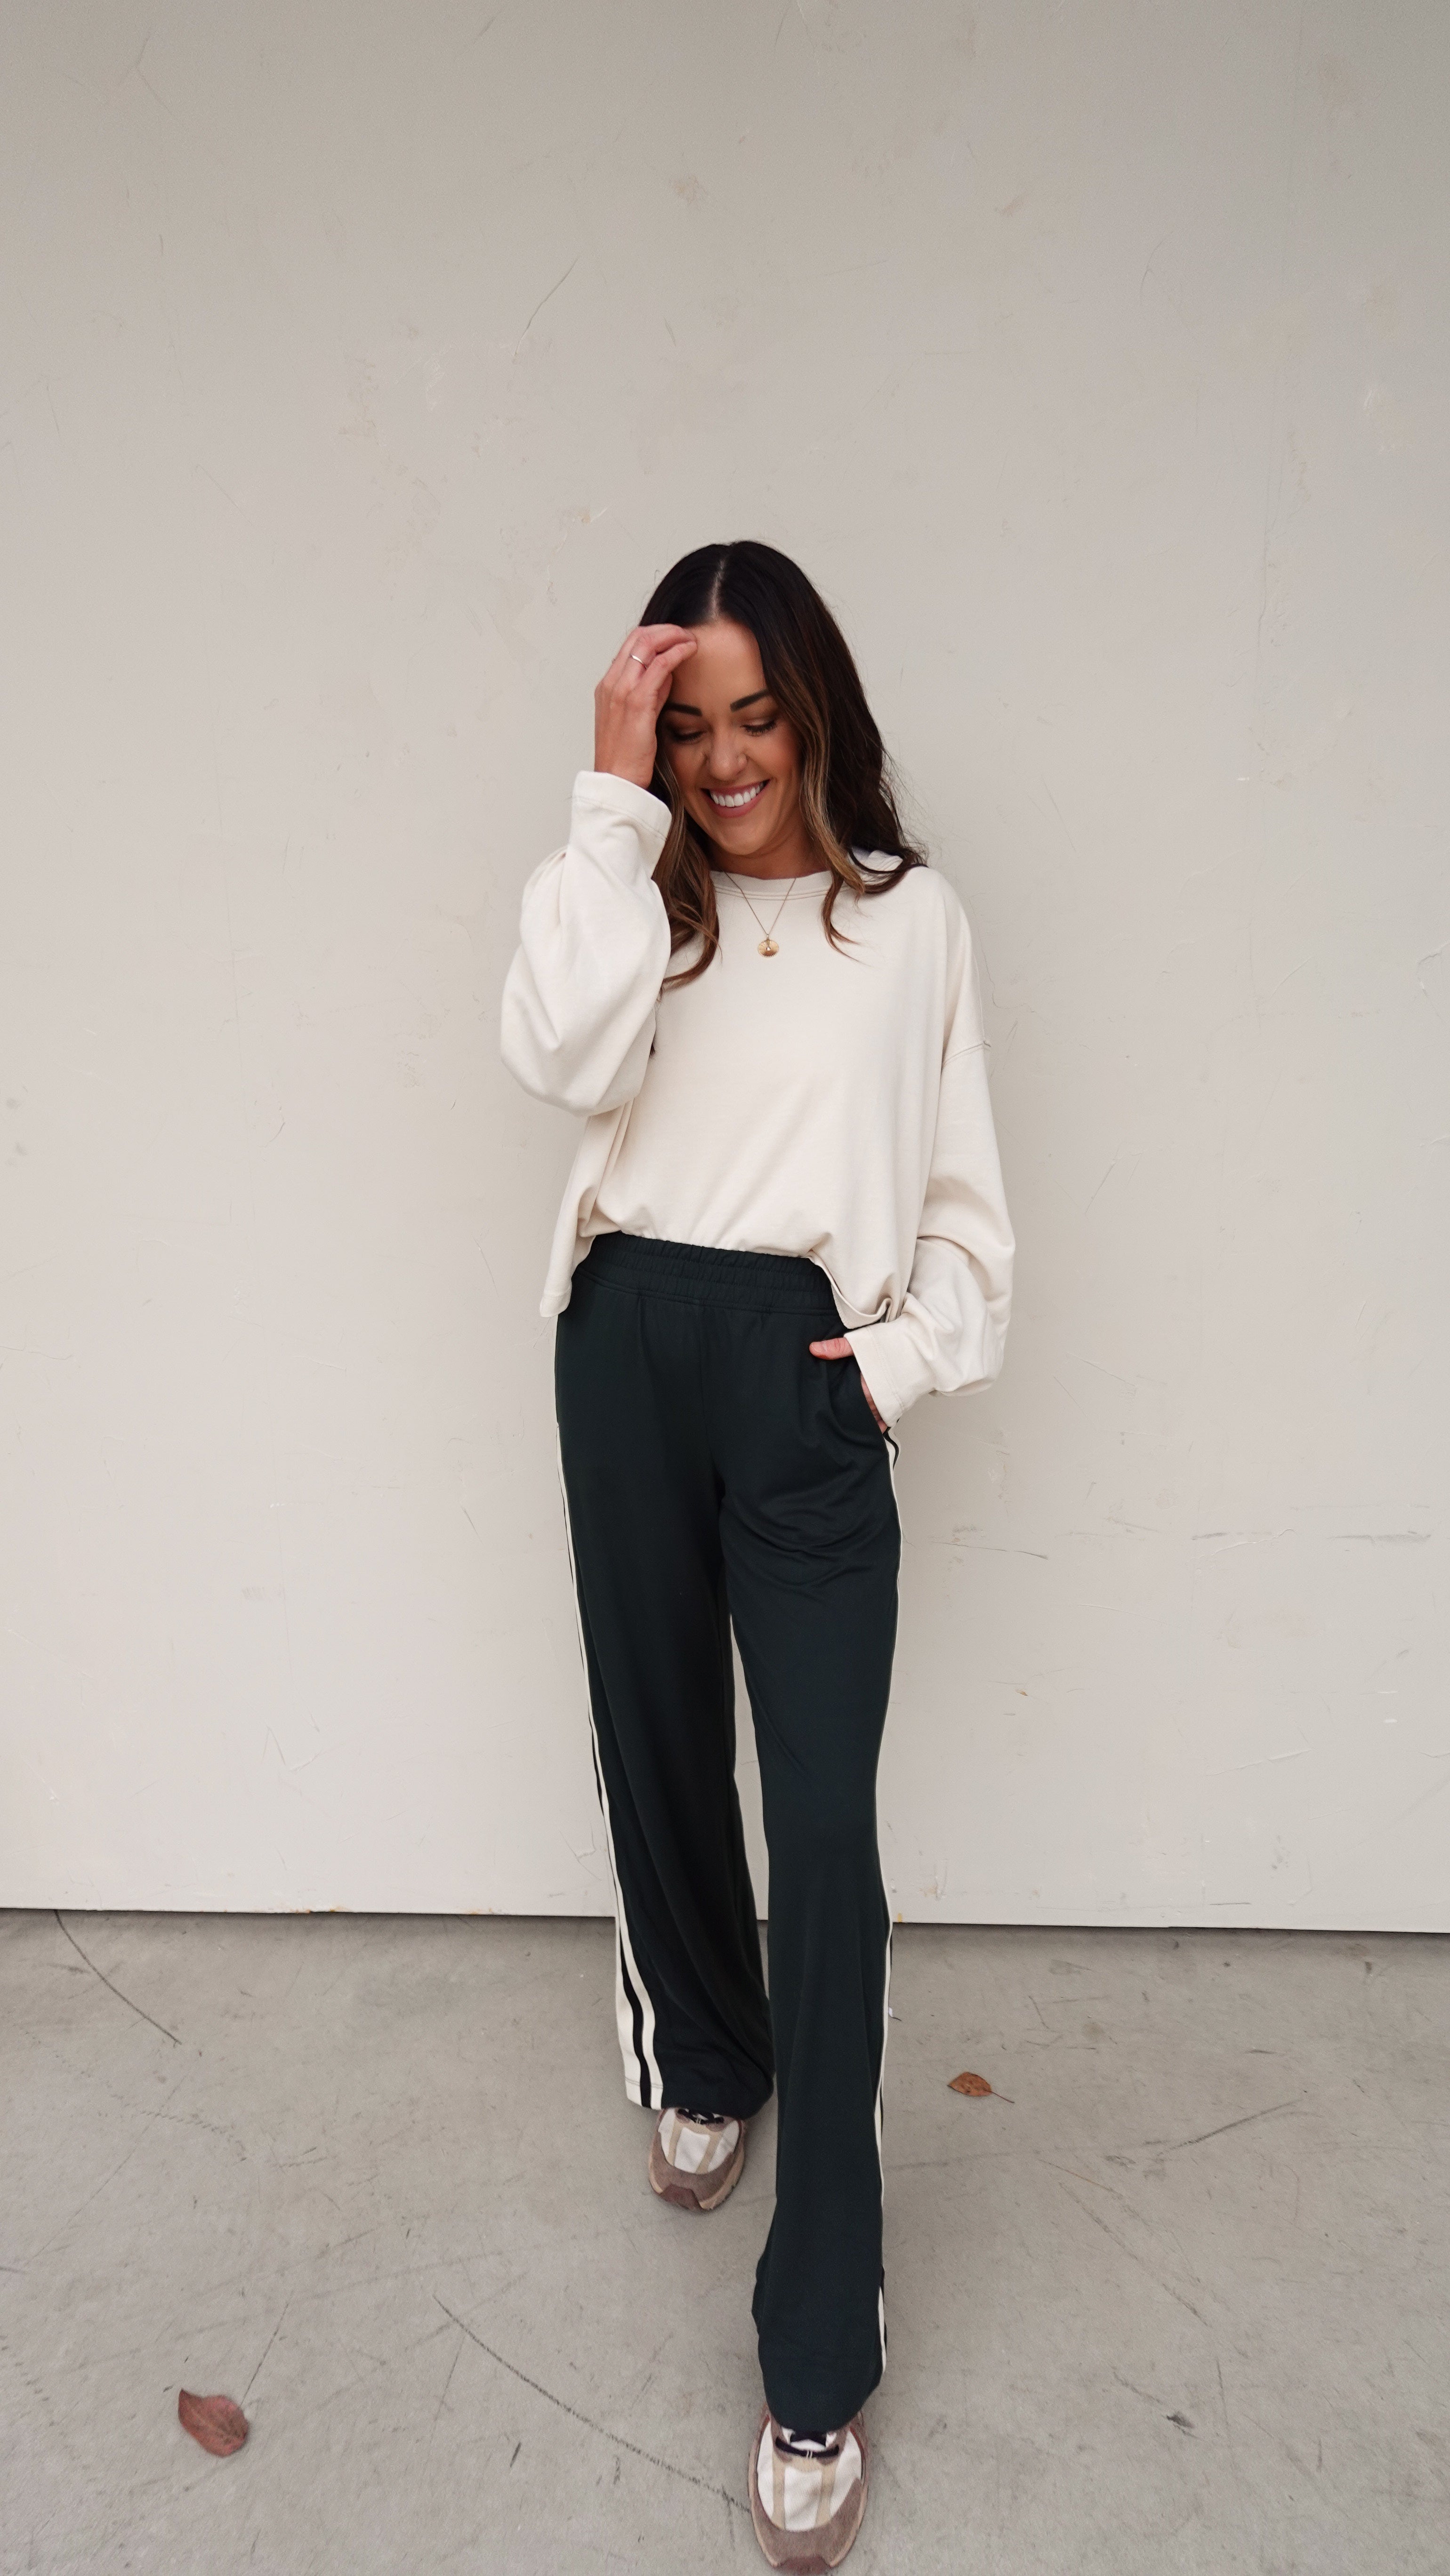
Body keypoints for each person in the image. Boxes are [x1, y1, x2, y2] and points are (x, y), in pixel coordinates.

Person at [499, 539, 1014, 2568]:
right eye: (688, 726)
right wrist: (604, 799)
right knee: (653, 1745)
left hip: (803, 1373)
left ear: (816, 713)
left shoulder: (911, 922)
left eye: (755, 718)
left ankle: (820, 2341)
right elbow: (558, 1057)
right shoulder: (636, 903)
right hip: (629, 1335)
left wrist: (886, 1371)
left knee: (824, 1827)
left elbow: (967, 1211)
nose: (725, 761)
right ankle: (703, 2055)